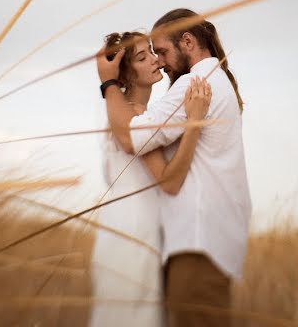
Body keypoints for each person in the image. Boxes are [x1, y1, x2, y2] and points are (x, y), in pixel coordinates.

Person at [97, 9, 251, 327]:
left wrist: (108, 84)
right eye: (147, 55)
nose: (160, 61)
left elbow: (132, 138)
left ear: (188, 42)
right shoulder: (211, 81)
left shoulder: (195, 84)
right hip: (167, 239)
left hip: (195, 240)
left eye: (161, 51)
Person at [90, 30, 212, 327]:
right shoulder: (135, 116)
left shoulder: (117, 116)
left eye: (152, 53)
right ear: (126, 75)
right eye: (143, 57)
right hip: (137, 233)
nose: (157, 60)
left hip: (114, 229)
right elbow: (169, 182)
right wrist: (195, 123)